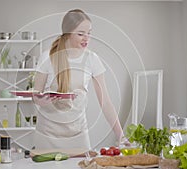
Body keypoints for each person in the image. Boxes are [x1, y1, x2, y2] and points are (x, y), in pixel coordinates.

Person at [33, 9, 125, 150]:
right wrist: (42, 100)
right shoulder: (48, 57)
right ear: (67, 34)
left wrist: (121, 136)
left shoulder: (92, 59)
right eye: (81, 34)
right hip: (47, 135)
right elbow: (35, 95)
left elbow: (105, 102)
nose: (86, 38)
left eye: (89, 33)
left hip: (78, 136)